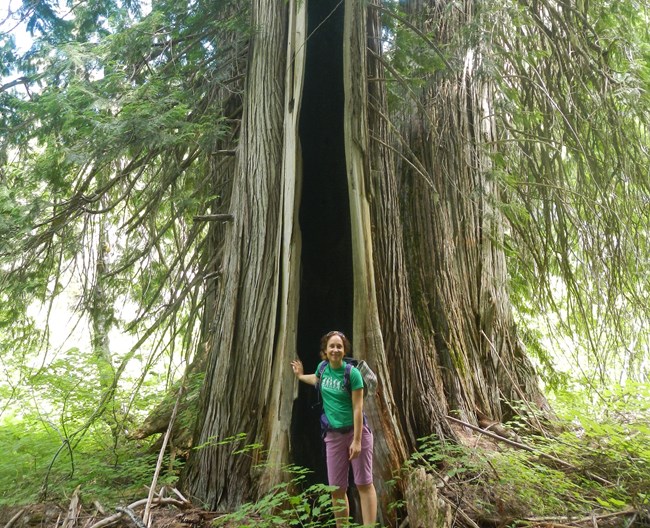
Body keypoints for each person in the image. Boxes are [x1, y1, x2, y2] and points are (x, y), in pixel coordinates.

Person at [291, 331, 377, 527]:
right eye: (332, 346)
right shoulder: (322, 369)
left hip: (357, 434)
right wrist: (300, 375)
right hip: (333, 436)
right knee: (337, 489)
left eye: (339, 346)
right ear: (325, 351)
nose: (335, 350)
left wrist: (356, 441)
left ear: (344, 350)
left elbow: (358, 408)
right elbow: (316, 380)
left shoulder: (352, 373)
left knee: (364, 484)